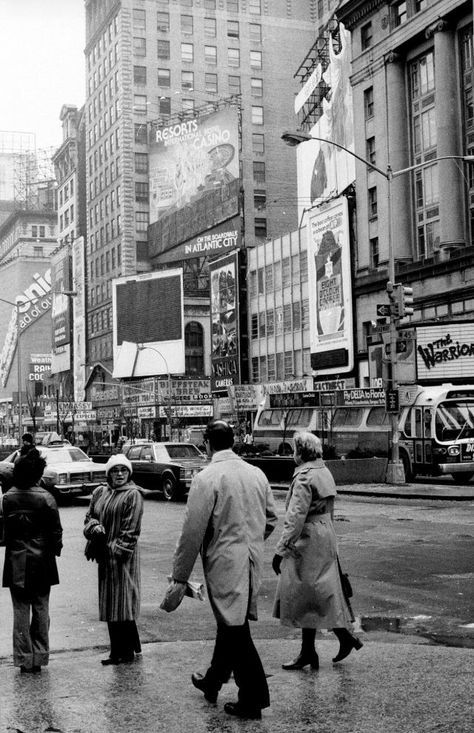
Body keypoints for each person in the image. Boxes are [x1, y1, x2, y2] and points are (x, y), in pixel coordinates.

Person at [169, 419, 278, 720]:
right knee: (232, 622)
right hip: (252, 559)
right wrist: (252, 541)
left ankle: (253, 697)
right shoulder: (256, 473)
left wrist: (179, 576)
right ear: (234, 441)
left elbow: (192, 532)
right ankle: (213, 681)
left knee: (234, 628)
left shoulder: (207, 477)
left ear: (207, 443)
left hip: (223, 561)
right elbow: (271, 518)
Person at [272, 431, 363, 669]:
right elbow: (330, 510)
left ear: (300, 451)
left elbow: (295, 518)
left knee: (306, 596)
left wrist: (280, 549)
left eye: (294, 449)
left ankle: (314, 650)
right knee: (319, 593)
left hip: (307, 539)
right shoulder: (324, 472)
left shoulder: (303, 477)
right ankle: (331, 642)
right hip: (325, 534)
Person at [1, 449, 63, 674]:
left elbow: (4, 533)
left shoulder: (7, 498)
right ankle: (39, 656)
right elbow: (56, 533)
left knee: (20, 611)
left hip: (15, 560)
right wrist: (55, 549)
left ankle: (23, 658)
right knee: (41, 609)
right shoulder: (46, 498)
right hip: (42, 561)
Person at [84, 454, 144, 665]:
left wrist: (113, 551)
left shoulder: (133, 495)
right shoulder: (101, 492)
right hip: (105, 558)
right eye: (115, 470)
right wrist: (95, 527)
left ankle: (125, 652)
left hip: (122, 559)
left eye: (123, 470)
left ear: (129, 473)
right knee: (111, 605)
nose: (119, 474)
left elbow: (131, 531)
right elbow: (89, 516)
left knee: (123, 603)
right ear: (108, 473)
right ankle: (117, 650)